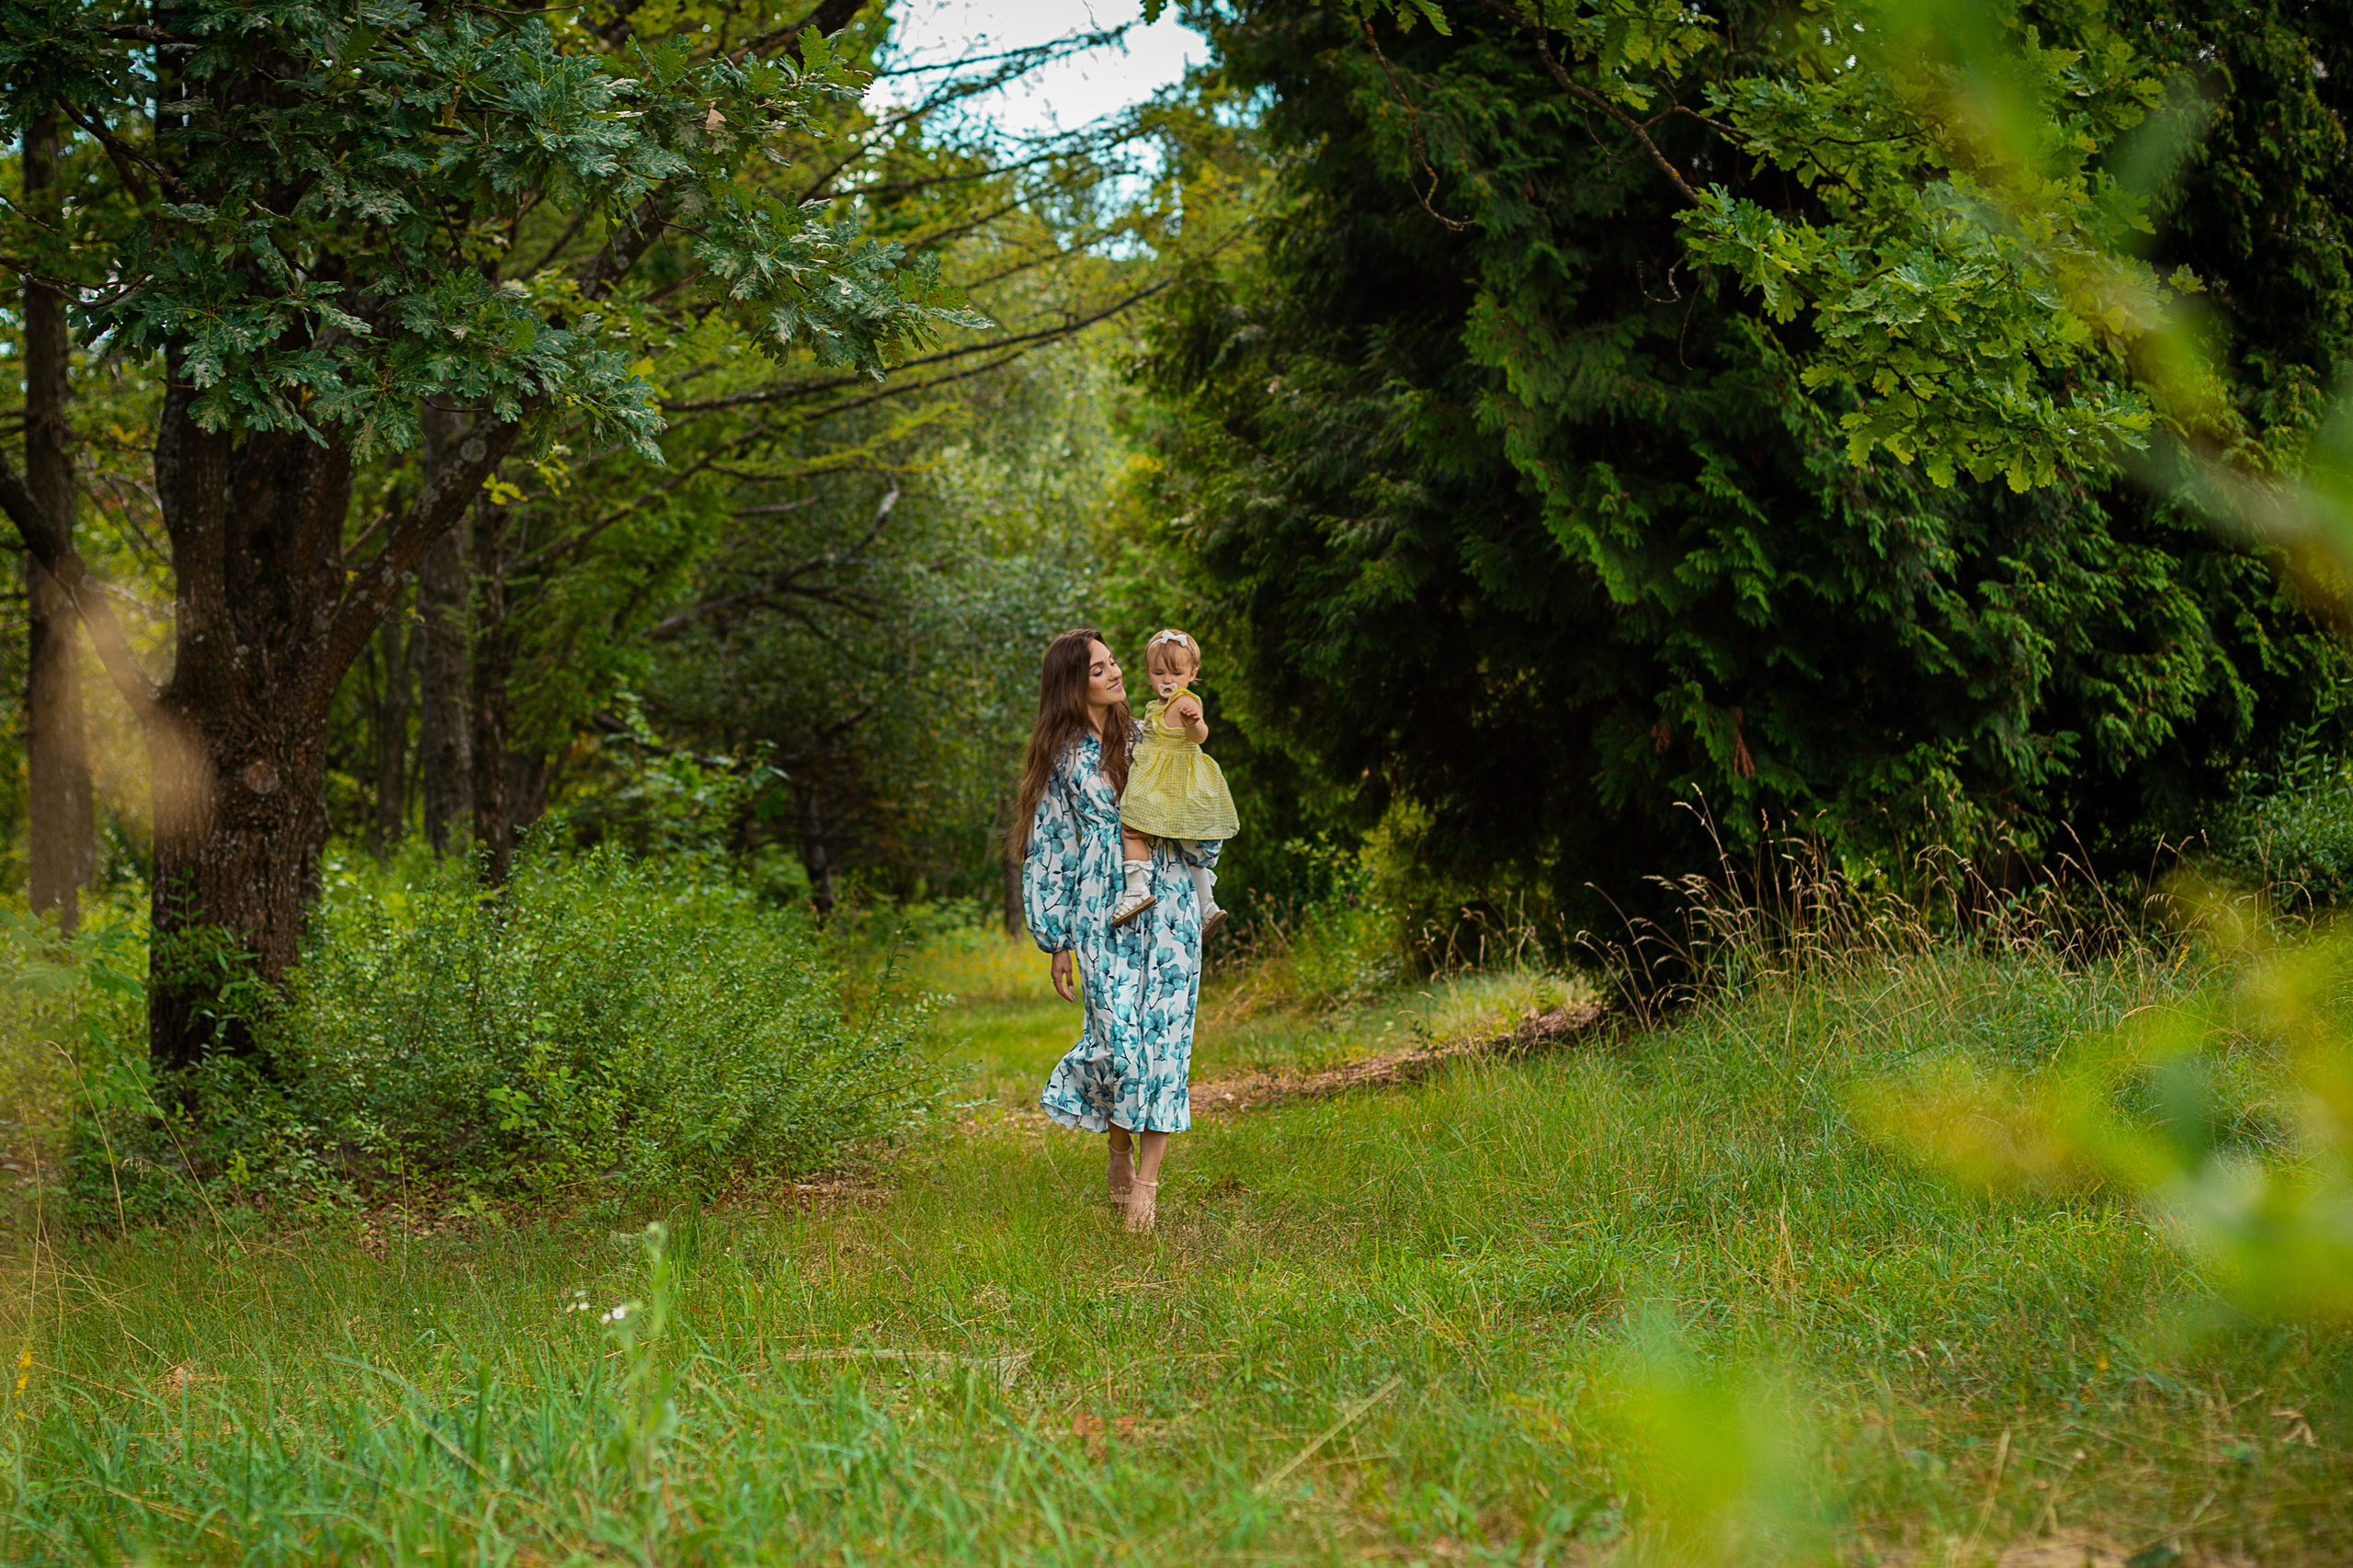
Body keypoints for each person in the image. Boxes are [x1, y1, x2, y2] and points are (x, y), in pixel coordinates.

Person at [1016, 628, 1218, 1233]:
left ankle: (1145, 1194)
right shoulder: (1061, 755)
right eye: (1099, 668)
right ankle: (1117, 1149)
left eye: (1113, 663)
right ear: (1072, 685)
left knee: (1165, 1045)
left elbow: (1199, 799)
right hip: (1102, 909)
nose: (1115, 672)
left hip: (1172, 897)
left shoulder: (1153, 732)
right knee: (1123, 1044)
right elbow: (1048, 843)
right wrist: (1055, 939)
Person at [1113, 628, 1238, 934]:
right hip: (1163, 783)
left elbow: (1200, 736)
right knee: (1186, 843)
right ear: (1148, 673)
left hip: (1174, 784)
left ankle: (1137, 891)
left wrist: (1194, 722)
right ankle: (1206, 905)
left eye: (1176, 672)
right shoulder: (1155, 706)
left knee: (1132, 830)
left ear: (1193, 673)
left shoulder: (1186, 702)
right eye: (1158, 672)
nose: (1167, 680)